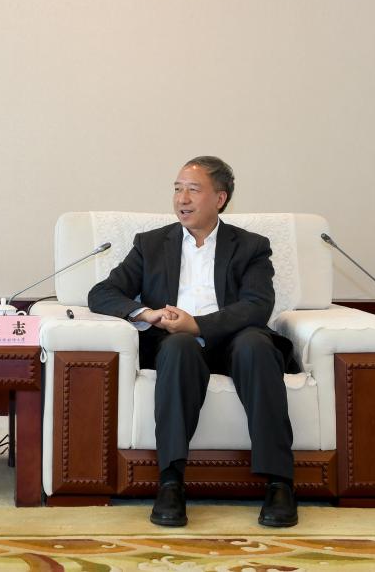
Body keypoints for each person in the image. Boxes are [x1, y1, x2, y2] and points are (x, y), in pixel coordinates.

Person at [88, 156, 299, 528]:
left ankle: (279, 483)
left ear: (219, 198)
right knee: (179, 347)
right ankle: (170, 482)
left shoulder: (251, 246)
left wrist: (198, 324)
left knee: (256, 346)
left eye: (192, 190)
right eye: (177, 189)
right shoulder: (151, 244)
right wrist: (147, 314)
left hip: (235, 338)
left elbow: (257, 305)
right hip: (176, 344)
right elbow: (102, 293)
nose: (181, 199)